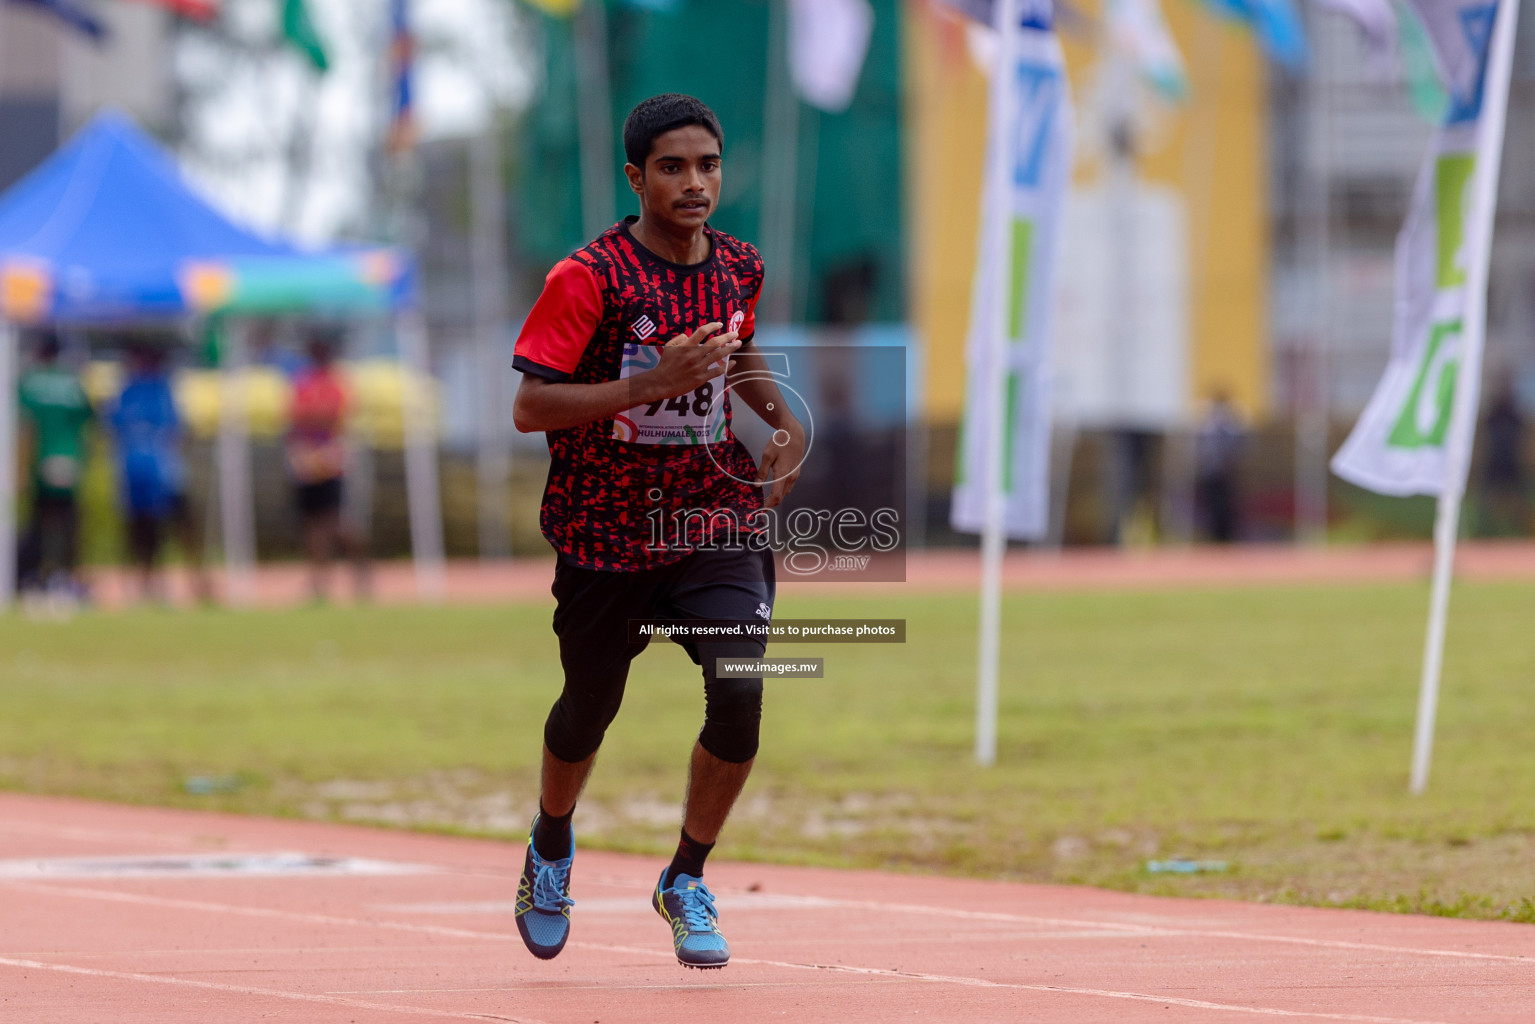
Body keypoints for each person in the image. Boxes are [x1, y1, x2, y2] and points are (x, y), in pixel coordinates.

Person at [509, 93, 805, 969]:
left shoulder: (739, 267)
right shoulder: (587, 278)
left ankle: (685, 877)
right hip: (603, 532)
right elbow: (529, 406)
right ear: (635, 177)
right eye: (672, 167)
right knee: (586, 711)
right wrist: (644, 386)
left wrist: (777, 428)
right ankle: (551, 845)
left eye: (707, 165)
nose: (693, 183)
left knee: (741, 691)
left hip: (712, 519)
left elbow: (740, 349)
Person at [110, 341, 211, 605]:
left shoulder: (154, 389)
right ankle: (150, 584)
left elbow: (177, 430)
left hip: (161, 473)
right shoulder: (133, 390)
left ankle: (195, 583)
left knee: (176, 528)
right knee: (146, 532)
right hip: (144, 473)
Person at [286, 329, 369, 602]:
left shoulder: (335, 381)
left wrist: (313, 419)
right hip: (308, 461)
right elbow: (293, 417)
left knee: (336, 523)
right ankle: (319, 581)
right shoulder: (302, 381)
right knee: (312, 524)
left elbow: (335, 416)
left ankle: (359, 572)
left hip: (331, 461)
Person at [16, 329, 93, 599]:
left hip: (41, 460)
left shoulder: (30, 382)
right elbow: (87, 422)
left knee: (39, 524)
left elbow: (25, 427)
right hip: (69, 459)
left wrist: (21, 470)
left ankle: (38, 578)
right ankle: (65, 577)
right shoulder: (72, 381)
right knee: (68, 524)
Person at [1195, 391, 1245, 543]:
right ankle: (1214, 537)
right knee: (1212, 507)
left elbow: (1237, 444)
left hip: (1225, 472)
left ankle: (1224, 537)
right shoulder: (1207, 422)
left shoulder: (1229, 422)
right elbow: (1201, 446)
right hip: (1211, 471)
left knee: (1225, 507)